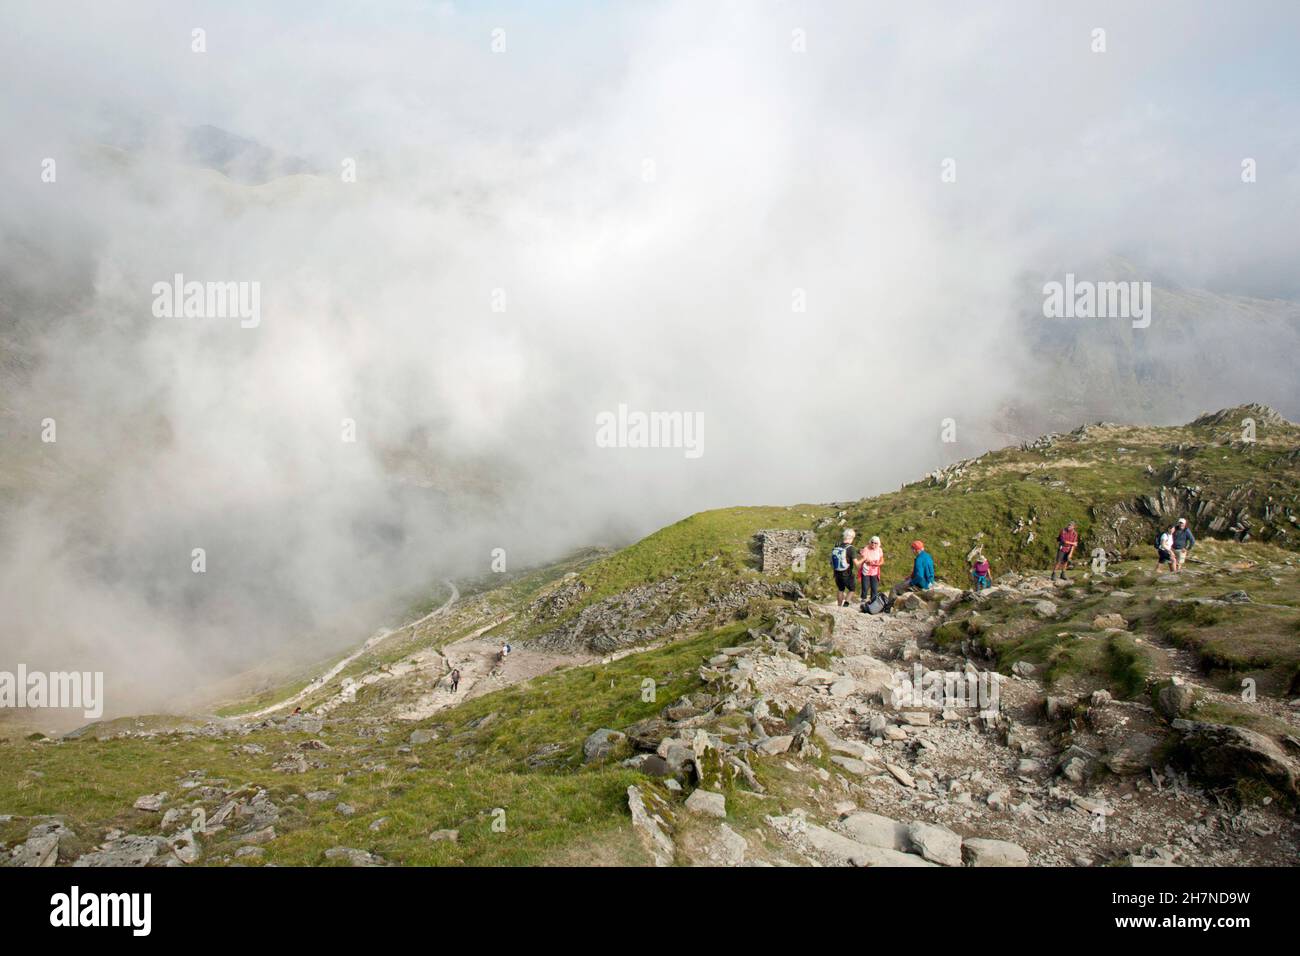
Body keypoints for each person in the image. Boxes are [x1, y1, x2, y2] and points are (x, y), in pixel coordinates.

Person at [830, 529, 858, 607]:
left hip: (837, 573)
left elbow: (831, 561)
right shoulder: (851, 548)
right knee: (852, 589)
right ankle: (846, 603)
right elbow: (857, 564)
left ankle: (839, 606)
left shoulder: (837, 546)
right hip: (846, 573)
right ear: (852, 538)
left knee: (840, 589)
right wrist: (864, 558)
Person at [856, 535, 885, 605]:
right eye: (872, 542)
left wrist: (878, 564)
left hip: (875, 571)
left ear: (878, 544)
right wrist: (867, 561)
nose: (873, 544)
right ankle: (863, 600)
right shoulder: (866, 549)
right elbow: (863, 558)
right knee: (865, 586)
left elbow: (882, 559)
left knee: (874, 587)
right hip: (866, 570)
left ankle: (873, 601)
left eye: (876, 543)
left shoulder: (879, 550)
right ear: (870, 542)